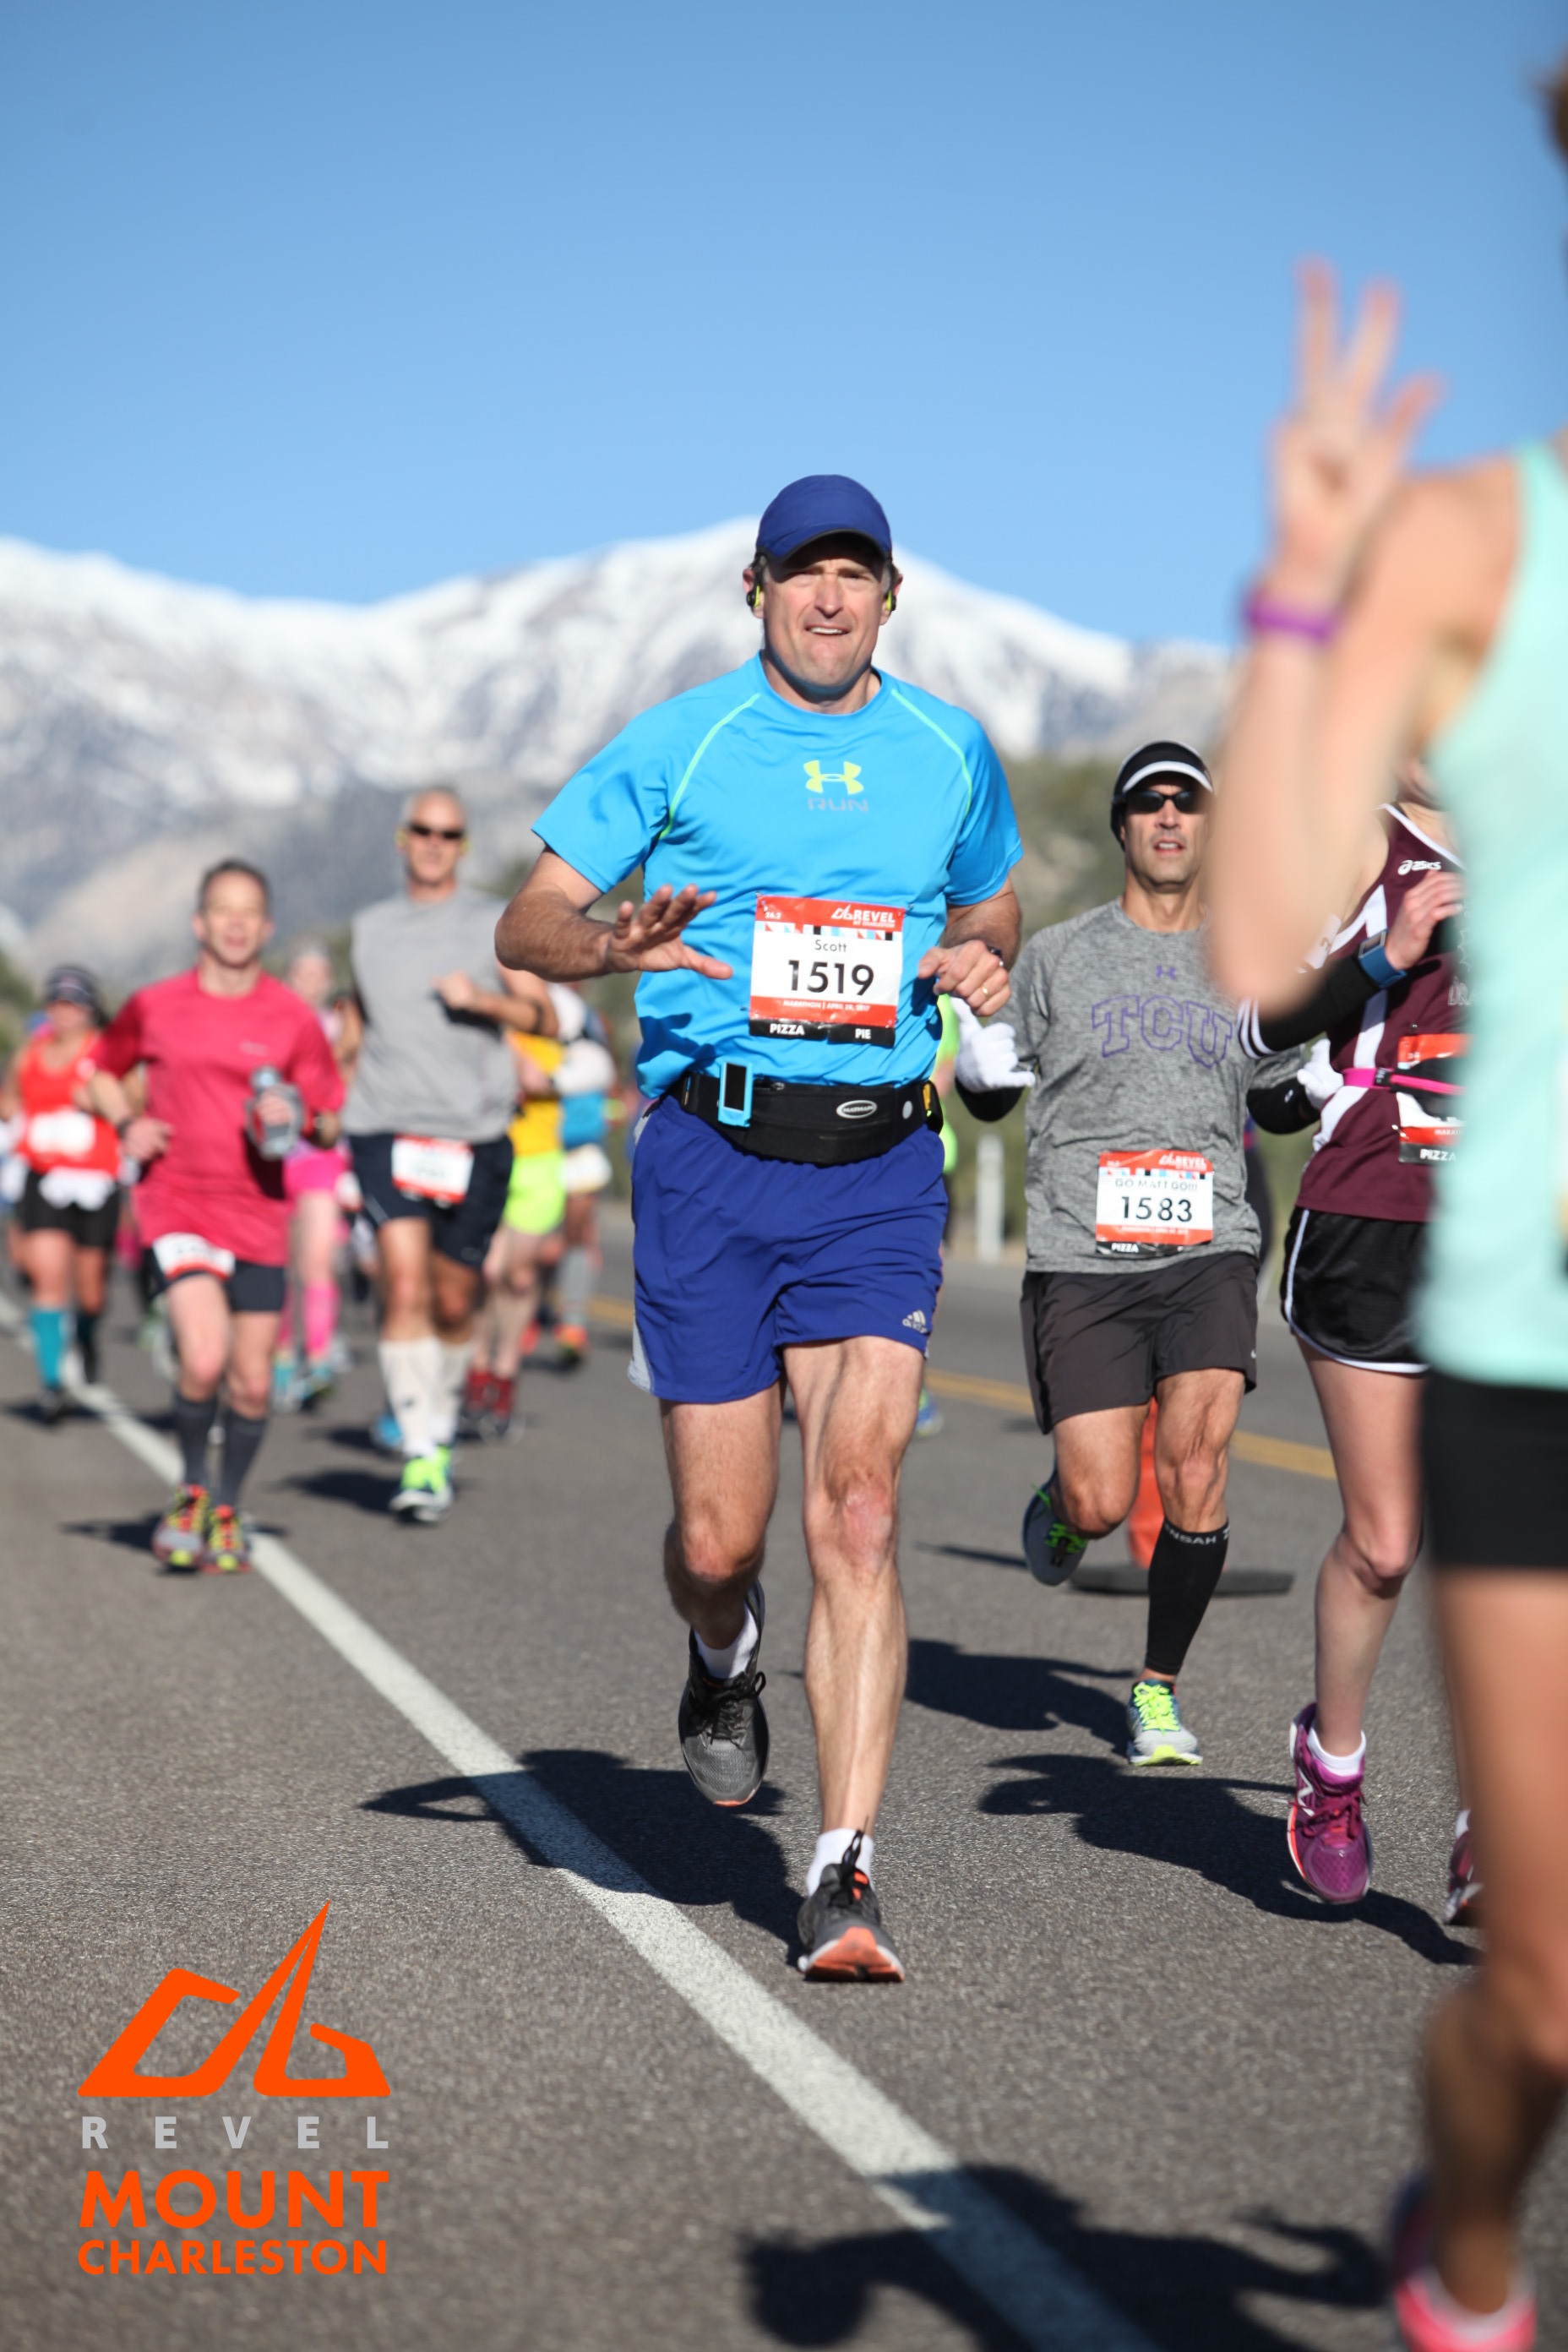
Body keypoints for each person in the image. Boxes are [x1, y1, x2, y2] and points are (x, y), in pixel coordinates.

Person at [1208, 75, 1568, 2342]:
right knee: (1538, 2010)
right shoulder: (1470, 550)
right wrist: (1304, 600)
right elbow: (1257, 949)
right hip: (1441, 1253)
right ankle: (1462, 2259)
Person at [496, 474, 1022, 1979]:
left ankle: (844, 1868)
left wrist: (980, 962)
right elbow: (525, 920)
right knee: (719, 1540)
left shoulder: (950, 750)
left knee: (858, 1510)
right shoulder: (685, 737)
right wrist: (611, 943)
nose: (829, 598)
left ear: (890, 596)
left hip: (878, 1165)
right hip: (711, 1166)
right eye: (804, 573)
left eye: (855, 575)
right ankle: (720, 1648)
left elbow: (990, 907)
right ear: (758, 587)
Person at [953, 743, 1297, 1769]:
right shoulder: (1059, 956)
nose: (1167, 817)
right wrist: (974, 1067)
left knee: (1195, 1463)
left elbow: (1279, 1093)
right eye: (1147, 802)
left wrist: (1317, 1079)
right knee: (1101, 1499)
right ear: (1120, 827)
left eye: (1186, 802)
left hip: (1207, 1248)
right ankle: (1061, 1508)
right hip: (1083, 1255)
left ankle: (1155, 1688)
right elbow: (990, 1085)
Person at [1241, 770, 1468, 1913]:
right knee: (1384, 1547)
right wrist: (1385, 952)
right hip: (1372, 1222)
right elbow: (1257, 1024)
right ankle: (1331, 1769)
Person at [86, 863, 343, 1571]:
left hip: (258, 1212)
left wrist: (299, 1115)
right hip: (177, 1202)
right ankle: (192, 1488)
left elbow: (329, 1121)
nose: (235, 923)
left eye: (249, 911)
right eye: (222, 910)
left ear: (266, 927)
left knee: (254, 1383)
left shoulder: (291, 1016)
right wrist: (127, 1122)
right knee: (203, 1359)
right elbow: (101, 1072)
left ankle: (227, 1505)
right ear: (199, 923)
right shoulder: (155, 1005)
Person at [342, 787, 553, 1522]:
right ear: (402, 837)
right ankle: (422, 1448)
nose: (435, 843)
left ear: (462, 845)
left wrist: (484, 1003)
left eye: (449, 834)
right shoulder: (368, 929)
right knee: (403, 1286)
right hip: (384, 1125)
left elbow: (545, 1016)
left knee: (456, 1301)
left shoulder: (492, 922)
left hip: (473, 1134)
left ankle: (440, 1415)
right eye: (423, 831)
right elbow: (357, 1025)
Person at [0, 966, 121, 1418]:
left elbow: (136, 1100)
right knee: (48, 1279)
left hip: (96, 1181)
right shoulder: (30, 1054)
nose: (64, 1013)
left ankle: (86, 1335)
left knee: (91, 1293)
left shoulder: (106, 1052)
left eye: (73, 1004)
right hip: (43, 1177)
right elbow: (9, 1101)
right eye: (57, 1003)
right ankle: (52, 1383)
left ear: (90, 1010)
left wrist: (99, 1102)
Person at [271, 942, 361, 1411]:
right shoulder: (269, 1023)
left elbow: (351, 1080)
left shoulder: (339, 1027)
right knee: (279, 1264)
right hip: (273, 1156)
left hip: (320, 1155)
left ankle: (320, 1359)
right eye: (302, 972)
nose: (310, 981)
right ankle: (282, 1359)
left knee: (318, 1259)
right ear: (289, 976)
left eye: (318, 973)